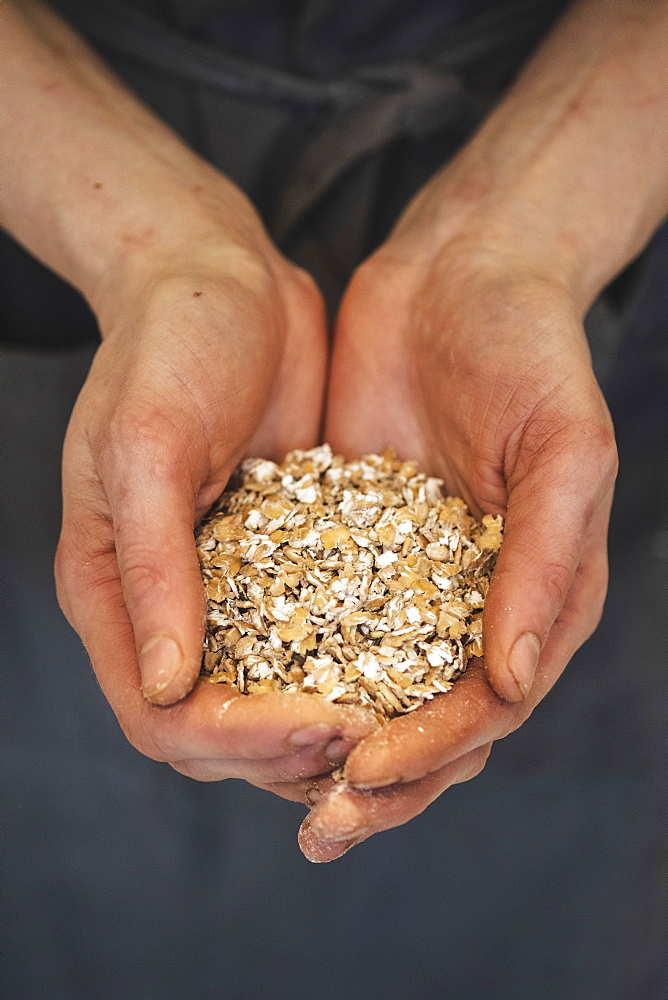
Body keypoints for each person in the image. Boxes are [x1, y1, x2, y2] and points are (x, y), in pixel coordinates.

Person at [1, 2, 666, 996]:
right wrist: (152, 249)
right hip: (60, 169)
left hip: (602, 157)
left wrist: (522, 233)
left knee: (536, 880)